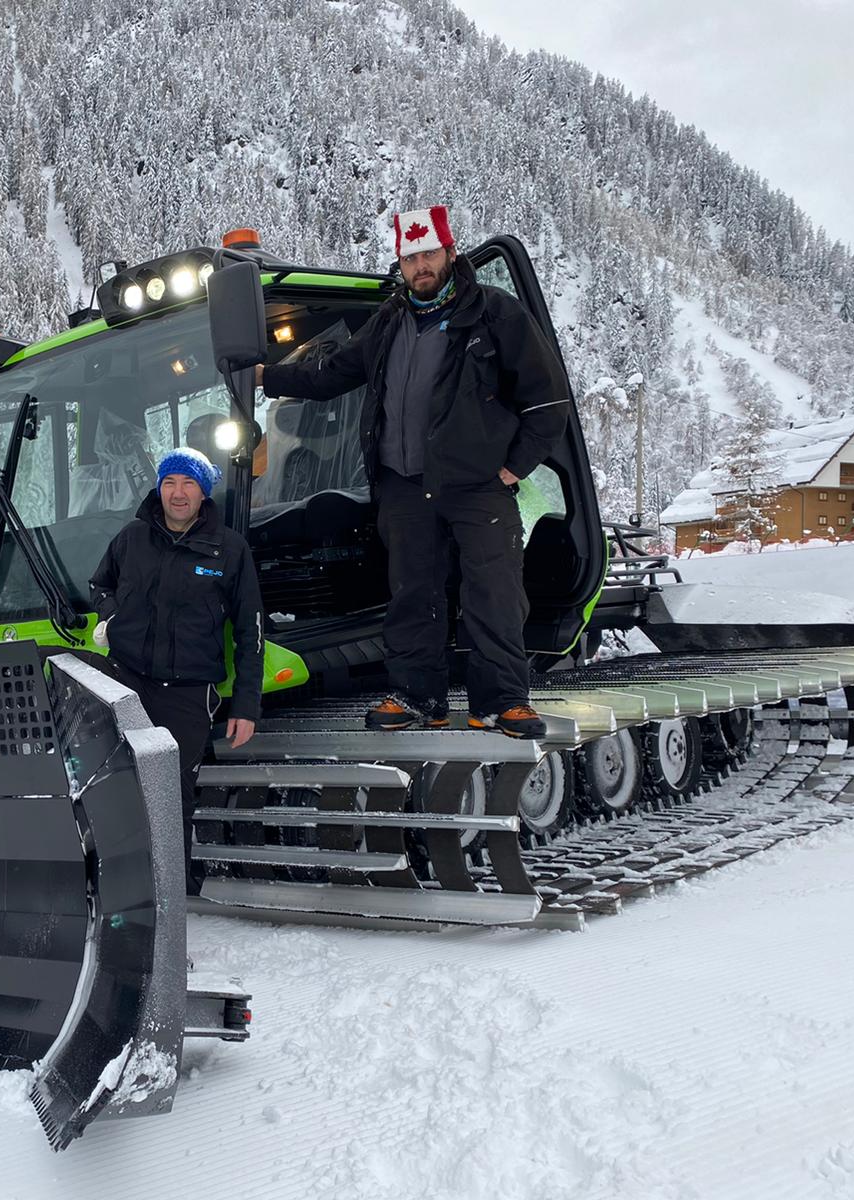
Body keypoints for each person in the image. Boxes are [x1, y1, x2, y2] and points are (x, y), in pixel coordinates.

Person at [256, 205, 569, 738]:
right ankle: (418, 696)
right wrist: (270, 378)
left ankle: (503, 702)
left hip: (477, 487)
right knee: (411, 593)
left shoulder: (494, 313)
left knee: (491, 593)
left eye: (428, 254)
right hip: (404, 486)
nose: (420, 266)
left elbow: (547, 400)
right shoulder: (388, 323)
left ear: (450, 253)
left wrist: (515, 468)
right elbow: (333, 373)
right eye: (410, 257)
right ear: (400, 265)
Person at [88, 448, 264, 895]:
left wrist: (246, 704)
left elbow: (251, 631)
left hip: (187, 694)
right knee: (116, 788)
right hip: (126, 683)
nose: (178, 493)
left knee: (171, 795)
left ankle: (173, 896)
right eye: (169, 483)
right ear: (159, 489)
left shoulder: (229, 549)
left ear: (203, 493)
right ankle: (120, 889)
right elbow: (98, 583)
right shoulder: (131, 538)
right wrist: (109, 616)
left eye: (188, 484)